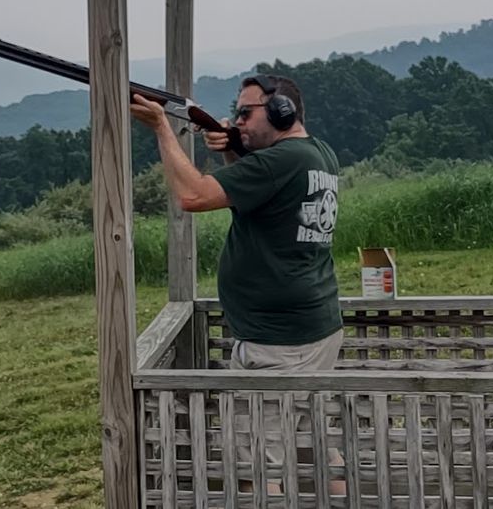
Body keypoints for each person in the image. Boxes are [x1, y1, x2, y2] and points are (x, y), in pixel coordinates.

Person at [130, 72, 343, 496]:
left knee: (259, 467)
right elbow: (255, 198)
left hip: (279, 343)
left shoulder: (280, 160)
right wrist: (233, 151)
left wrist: (161, 129)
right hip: (309, 330)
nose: (238, 121)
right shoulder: (316, 154)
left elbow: (193, 197)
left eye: (246, 113)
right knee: (312, 447)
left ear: (282, 112)